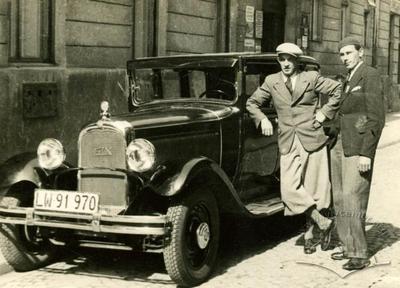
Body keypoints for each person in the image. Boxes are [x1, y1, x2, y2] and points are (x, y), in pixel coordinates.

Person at [246, 43, 341, 254]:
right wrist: (262, 119)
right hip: (288, 140)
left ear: (297, 61)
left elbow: (337, 90)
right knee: (289, 190)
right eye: (282, 59)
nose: (286, 63)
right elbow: (252, 103)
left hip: (312, 137)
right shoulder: (272, 81)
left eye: (290, 59)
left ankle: (309, 236)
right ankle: (323, 222)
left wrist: (324, 113)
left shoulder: (311, 77)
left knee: (314, 189)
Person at [330, 36, 385, 270]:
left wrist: (367, 154)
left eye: (349, 53)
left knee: (353, 197)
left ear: (360, 52)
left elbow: (376, 118)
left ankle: (359, 253)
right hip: (340, 145)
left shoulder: (369, 75)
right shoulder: (347, 78)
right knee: (340, 197)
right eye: (342, 55)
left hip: (358, 147)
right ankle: (346, 246)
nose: (345, 58)